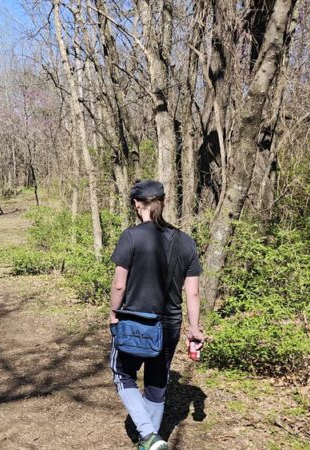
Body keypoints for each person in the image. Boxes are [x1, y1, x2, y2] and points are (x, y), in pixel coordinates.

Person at [109, 180, 205, 450]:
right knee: (156, 380)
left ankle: (148, 434)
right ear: (162, 202)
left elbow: (119, 284)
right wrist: (194, 328)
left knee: (122, 372)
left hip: (134, 321)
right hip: (170, 325)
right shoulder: (186, 242)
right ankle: (149, 441)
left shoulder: (132, 236)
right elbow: (193, 293)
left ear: (137, 205)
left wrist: (113, 314)